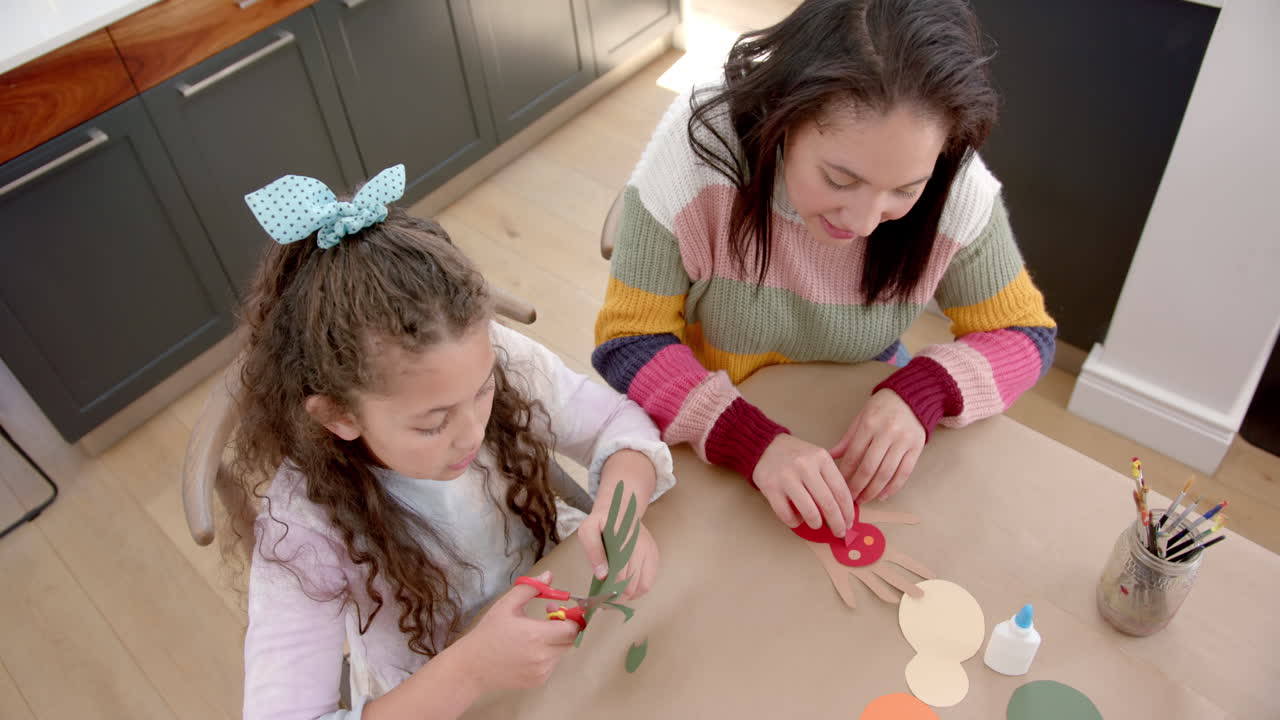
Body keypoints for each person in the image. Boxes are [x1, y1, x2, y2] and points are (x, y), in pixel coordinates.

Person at [593, 0, 1055, 541]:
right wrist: (749, 438)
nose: (863, 222)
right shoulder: (699, 150)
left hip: (848, 408)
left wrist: (923, 390)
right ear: (781, 114)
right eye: (839, 179)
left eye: (904, 190)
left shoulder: (956, 185)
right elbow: (628, 339)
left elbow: (1025, 333)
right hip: (705, 412)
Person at [232, 165, 675, 719]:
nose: (472, 432)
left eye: (484, 389)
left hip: (561, 622)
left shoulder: (493, 361)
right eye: (431, 424)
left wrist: (621, 506)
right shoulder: (304, 529)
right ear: (339, 415)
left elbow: (617, 422)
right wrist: (469, 670)